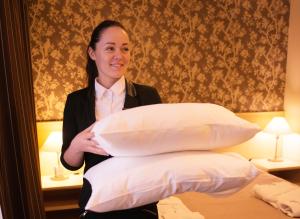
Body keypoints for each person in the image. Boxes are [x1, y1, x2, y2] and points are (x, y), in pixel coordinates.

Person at [60, 20, 162, 218]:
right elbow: (70, 163)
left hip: (140, 204)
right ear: (92, 53)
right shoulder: (76, 101)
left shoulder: (148, 96)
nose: (119, 56)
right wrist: (77, 145)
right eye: (110, 48)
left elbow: (161, 148)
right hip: (97, 203)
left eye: (125, 49)